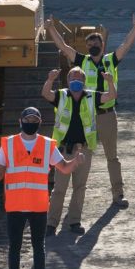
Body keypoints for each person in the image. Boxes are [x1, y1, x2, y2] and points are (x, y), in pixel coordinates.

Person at [52, 16, 135, 210]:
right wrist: (51, 28)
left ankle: (118, 194)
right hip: (86, 118)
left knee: (112, 157)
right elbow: (63, 45)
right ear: (86, 46)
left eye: (96, 42)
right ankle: (74, 202)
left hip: (107, 114)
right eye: (90, 43)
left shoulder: (111, 60)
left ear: (102, 45)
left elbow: (126, 45)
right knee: (79, 155)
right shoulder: (81, 61)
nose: (93, 45)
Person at [0, 106, 69, 269]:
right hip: (16, 205)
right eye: (28, 119)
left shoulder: (47, 145)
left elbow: (64, 167)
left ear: (39, 123)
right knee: (14, 247)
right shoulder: (8, 144)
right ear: (20, 121)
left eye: (34, 120)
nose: (30, 122)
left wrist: (76, 161)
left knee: (39, 247)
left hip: (38, 205)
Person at [40, 61, 109, 237]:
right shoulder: (62, 95)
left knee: (80, 187)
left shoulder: (91, 96)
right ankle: (51, 224)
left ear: (84, 81)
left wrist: (109, 81)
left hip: (83, 150)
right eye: (72, 78)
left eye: (79, 78)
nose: (76, 81)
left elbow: (111, 96)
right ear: (68, 80)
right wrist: (50, 79)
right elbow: (45, 94)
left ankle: (74, 222)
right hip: (63, 150)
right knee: (59, 189)